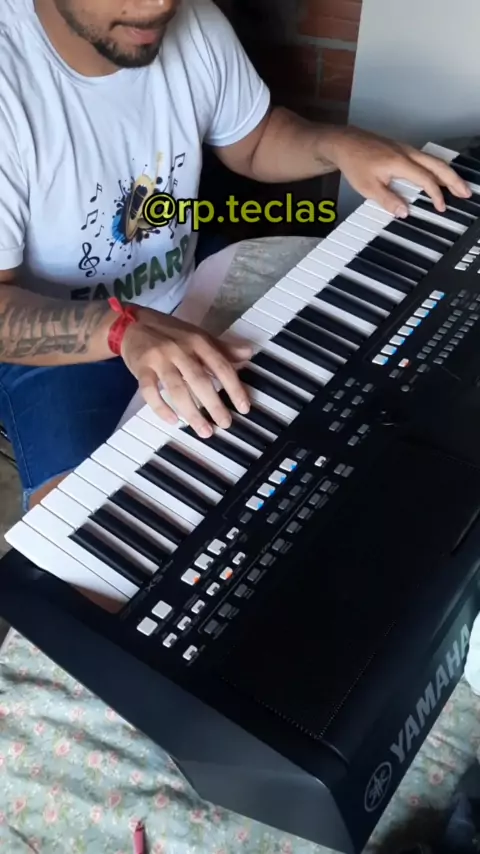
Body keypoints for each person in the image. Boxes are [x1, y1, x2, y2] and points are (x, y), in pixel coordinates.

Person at [0, 0, 471, 515]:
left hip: (189, 279)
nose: (161, 5)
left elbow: (255, 141)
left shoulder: (194, 21)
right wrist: (121, 329)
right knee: (90, 538)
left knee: (322, 445)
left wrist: (336, 143)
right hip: (61, 339)